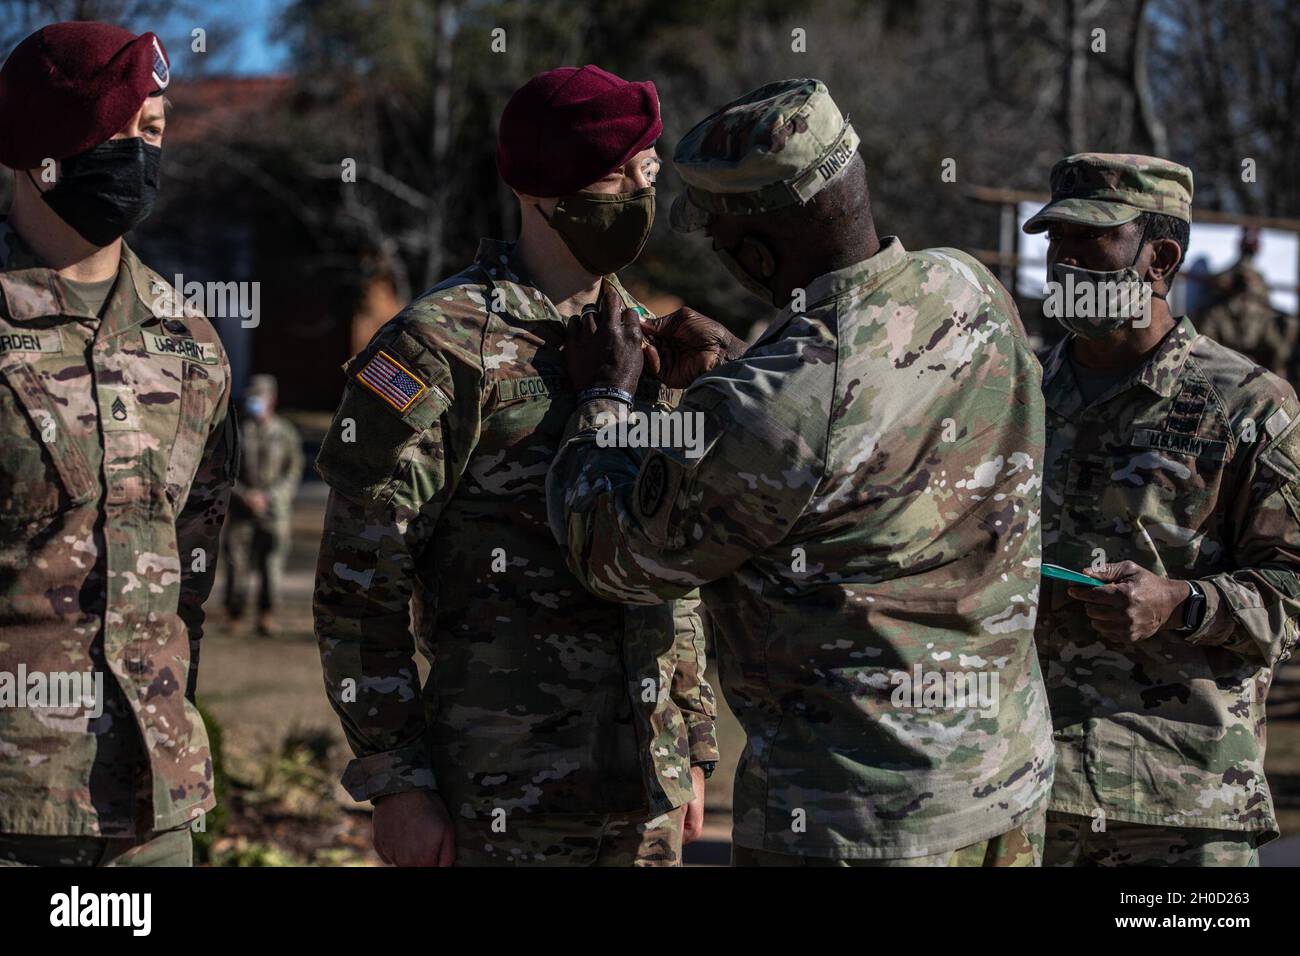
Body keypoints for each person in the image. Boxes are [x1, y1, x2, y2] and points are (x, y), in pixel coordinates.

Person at [548, 78, 1054, 866]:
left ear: (754, 253)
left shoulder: (770, 404)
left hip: (859, 821)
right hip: (1006, 786)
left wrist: (606, 398)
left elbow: (611, 555)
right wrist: (746, 372)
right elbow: (863, 432)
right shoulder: (969, 285)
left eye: (718, 239)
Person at [313, 65, 717, 867]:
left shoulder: (646, 339)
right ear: (542, 189)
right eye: (618, 173)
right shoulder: (438, 345)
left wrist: (694, 739)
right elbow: (359, 587)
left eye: (650, 168)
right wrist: (398, 781)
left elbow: (672, 564)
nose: (642, 189)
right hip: (503, 799)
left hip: (646, 792)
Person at [0, 22, 236, 866]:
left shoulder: (190, 341)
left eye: (155, 132)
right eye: (117, 129)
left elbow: (192, 578)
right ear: (38, 145)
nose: (139, 154)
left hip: (152, 812)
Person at [1024, 153, 1300, 866]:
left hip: (1179, 810)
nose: (1065, 263)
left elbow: (1293, 587)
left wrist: (1181, 602)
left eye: (1091, 244)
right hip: (1023, 795)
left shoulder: (1247, 404)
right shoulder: (1014, 392)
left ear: (1160, 257)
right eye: (1056, 243)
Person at [223, 374, 302, 636]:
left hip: (274, 512)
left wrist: (269, 496)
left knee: (271, 566)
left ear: (272, 399)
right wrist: (244, 495)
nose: (254, 402)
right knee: (236, 564)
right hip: (241, 508)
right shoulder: (237, 430)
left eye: (260, 397)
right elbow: (225, 470)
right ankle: (235, 614)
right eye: (252, 397)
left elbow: (292, 472)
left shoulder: (286, 432)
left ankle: (266, 616)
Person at [1196, 226, 1296, 377]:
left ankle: (1279, 375)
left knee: (1288, 325)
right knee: (1210, 318)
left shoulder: (1259, 277)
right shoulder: (1227, 274)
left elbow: (1266, 302)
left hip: (1257, 327)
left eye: (1253, 243)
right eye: (1248, 242)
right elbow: (1214, 291)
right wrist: (1231, 287)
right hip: (1229, 325)